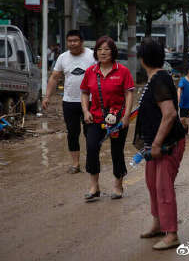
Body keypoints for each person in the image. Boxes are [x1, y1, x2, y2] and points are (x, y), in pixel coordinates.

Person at [134, 38, 186, 250]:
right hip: (154, 145)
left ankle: (172, 233)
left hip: (167, 144)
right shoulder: (156, 78)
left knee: (163, 188)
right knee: (152, 185)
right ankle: (158, 224)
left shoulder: (159, 80)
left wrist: (156, 143)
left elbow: (170, 114)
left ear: (142, 59)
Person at [80, 36, 134, 200]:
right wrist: (85, 111)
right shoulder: (91, 71)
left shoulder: (123, 71)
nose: (103, 53)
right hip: (95, 118)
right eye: (99, 49)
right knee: (91, 148)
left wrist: (126, 116)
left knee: (116, 151)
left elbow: (129, 94)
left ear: (113, 52)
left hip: (118, 120)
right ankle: (94, 186)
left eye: (106, 49)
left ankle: (118, 186)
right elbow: (84, 92)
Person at [42, 30, 95, 174]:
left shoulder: (92, 56)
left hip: (90, 101)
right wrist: (47, 96)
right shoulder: (62, 57)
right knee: (72, 133)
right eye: (70, 41)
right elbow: (54, 78)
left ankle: (91, 162)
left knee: (90, 133)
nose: (72, 43)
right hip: (69, 101)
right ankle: (75, 164)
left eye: (75, 40)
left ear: (81, 41)